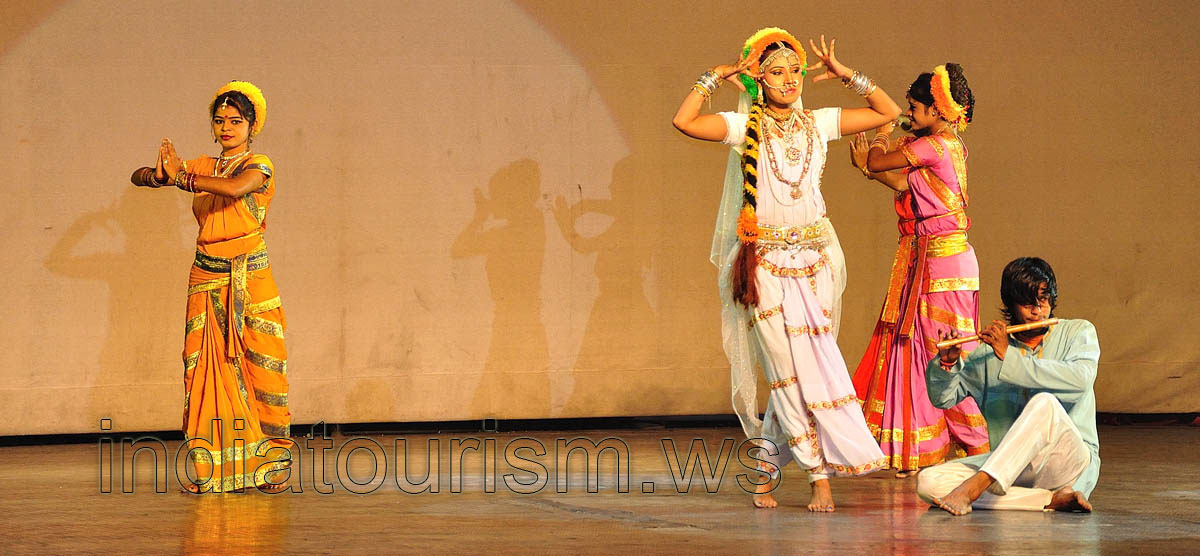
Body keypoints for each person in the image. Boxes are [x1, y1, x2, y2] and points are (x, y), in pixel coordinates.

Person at [672, 28, 900, 511]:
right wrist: (714, 76)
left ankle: (767, 467)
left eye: (795, 71)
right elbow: (684, 121)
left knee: (811, 369)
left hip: (816, 260)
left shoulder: (820, 123)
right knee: (784, 371)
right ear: (759, 79)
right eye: (777, 72)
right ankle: (819, 475)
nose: (790, 79)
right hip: (765, 265)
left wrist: (847, 75)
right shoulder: (743, 127)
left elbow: (888, 112)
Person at [131, 81, 292, 493]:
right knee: (202, 368)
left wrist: (184, 178)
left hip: (248, 277)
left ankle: (270, 465)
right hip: (205, 275)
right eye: (220, 121)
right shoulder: (204, 165)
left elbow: (236, 189)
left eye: (235, 121)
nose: (226, 128)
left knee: (259, 366)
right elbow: (140, 177)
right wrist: (157, 175)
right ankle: (214, 469)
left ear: (252, 125)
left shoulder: (259, 165)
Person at [847, 64, 990, 477]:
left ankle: (979, 444)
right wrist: (869, 169)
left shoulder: (935, 147)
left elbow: (878, 162)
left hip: (944, 264)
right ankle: (930, 445)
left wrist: (880, 129)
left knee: (947, 354)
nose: (910, 115)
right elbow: (904, 185)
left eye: (913, 108)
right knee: (923, 351)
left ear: (936, 110)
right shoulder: (949, 146)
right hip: (936, 261)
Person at [917, 257, 1100, 515]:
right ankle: (1046, 501)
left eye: (1043, 301)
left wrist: (1009, 357)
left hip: (1067, 461)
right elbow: (943, 399)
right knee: (928, 483)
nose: (1038, 312)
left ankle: (975, 487)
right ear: (1011, 306)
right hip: (1013, 470)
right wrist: (946, 365)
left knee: (1045, 403)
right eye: (1028, 304)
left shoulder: (1078, 332)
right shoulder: (985, 356)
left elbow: (1080, 381)